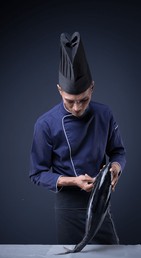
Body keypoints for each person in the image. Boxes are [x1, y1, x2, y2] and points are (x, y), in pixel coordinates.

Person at [29, 32, 126, 245]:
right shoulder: (45, 123)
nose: (77, 108)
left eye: (83, 100)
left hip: (100, 199)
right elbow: (37, 173)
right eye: (69, 101)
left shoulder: (105, 114)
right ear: (59, 90)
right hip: (68, 207)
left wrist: (117, 167)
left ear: (92, 87)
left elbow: (118, 151)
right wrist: (74, 181)